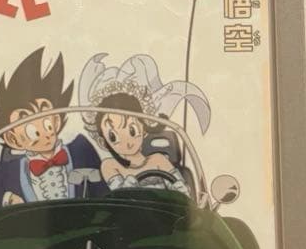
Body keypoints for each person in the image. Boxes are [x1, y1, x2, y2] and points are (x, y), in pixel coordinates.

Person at [0, 48, 105, 210]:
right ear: (13, 139)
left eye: (46, 121)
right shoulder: (9, 170)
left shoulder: (81, 150)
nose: (43, 132)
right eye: (31, 130)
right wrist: (7, 198)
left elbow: (105, 196)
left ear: (56, 120)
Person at [79, 53, 211, 196]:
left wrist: (180, 188)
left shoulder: (158, 160)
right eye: (113, 136)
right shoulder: (110, 165)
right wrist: (128, 187)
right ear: (103, 142)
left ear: (144, 129)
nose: (126, 141)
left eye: (132, 130)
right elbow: (120, 196)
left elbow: (182, 194)